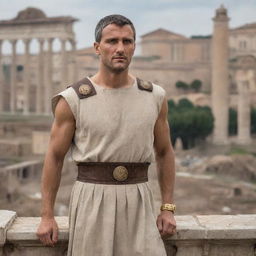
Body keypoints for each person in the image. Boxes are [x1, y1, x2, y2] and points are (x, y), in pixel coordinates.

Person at [37, 14, 176, 255]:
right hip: (91, 201)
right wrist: (47, 215)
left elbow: (164, 152)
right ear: (97, 47)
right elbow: (54, 157)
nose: (120, 48)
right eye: (112, 41)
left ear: (134, 46)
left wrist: (167, 208)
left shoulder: (154, 96)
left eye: (127, 41)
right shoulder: (73, 99)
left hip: (140, 201)